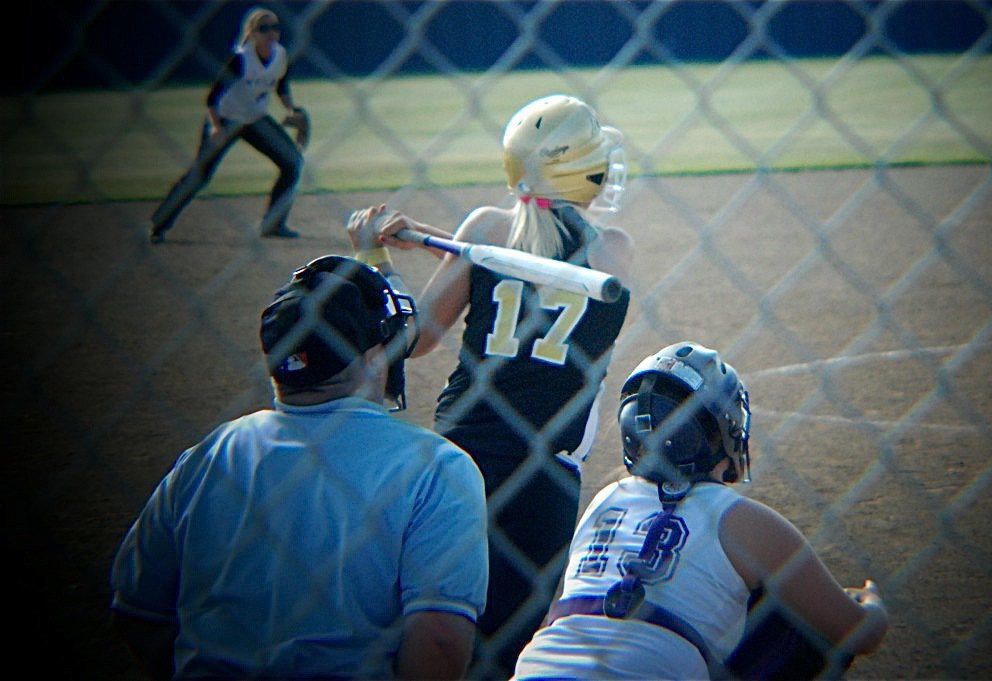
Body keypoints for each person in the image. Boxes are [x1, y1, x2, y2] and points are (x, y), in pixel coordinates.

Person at [346, 93, 634, 678]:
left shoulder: (484, 230)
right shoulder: (614, 254)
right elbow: (536, 264)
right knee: (509, 652)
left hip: (454, 456)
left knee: (425, 626)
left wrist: (381, 258)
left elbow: (415, 337)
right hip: (543, 478)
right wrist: (435, 239)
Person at [109, 253, 489, 680]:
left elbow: (137, 609)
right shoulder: (435, 468)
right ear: (373, 356)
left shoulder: (212, 453)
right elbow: (439, 642)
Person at [512, 342, 890, 680]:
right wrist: (871, 603)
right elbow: (859, 633)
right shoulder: (745, 520)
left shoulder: (607, 498)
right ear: (721, 436)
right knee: (794, 616)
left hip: (536, 671)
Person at [149, 6, 304, 243]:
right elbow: (212, 98)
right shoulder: (242, 59)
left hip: (254, 119)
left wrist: (291, 109)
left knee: (292, 163)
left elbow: (281, 85)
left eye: (275, 27)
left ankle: (273, 224)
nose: (271, 33)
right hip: (225, 117)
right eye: (264, 28)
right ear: (252, 33)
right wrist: (216, 128)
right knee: (200, 174)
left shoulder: (280, 55)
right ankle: (158, 225)